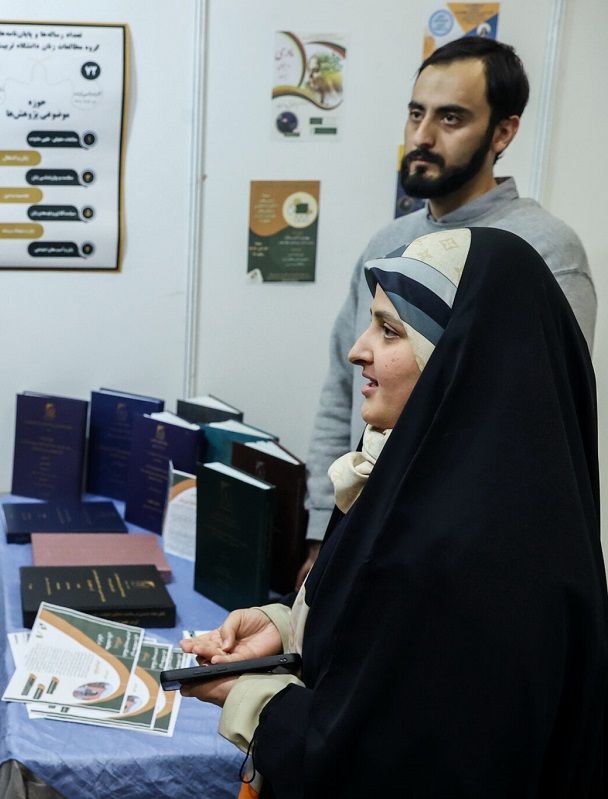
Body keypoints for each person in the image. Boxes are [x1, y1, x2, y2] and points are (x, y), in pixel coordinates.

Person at [183, 228, 608, 796]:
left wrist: (249, 697)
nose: (357, 350)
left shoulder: (477, 560)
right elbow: (379, 635)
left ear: (456, 355)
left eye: (389, 330)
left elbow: (381, 763)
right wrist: (290, 627)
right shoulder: (418, 482)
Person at [299, 38, 596, 584]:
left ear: (503, 132)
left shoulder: (542, 251)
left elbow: (533, 426)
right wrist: (324, 529)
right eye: (417, 114)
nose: (422, 136)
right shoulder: (387, 243)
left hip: (452, 560)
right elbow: (340, 389)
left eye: (451, 118)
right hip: (360, 535)